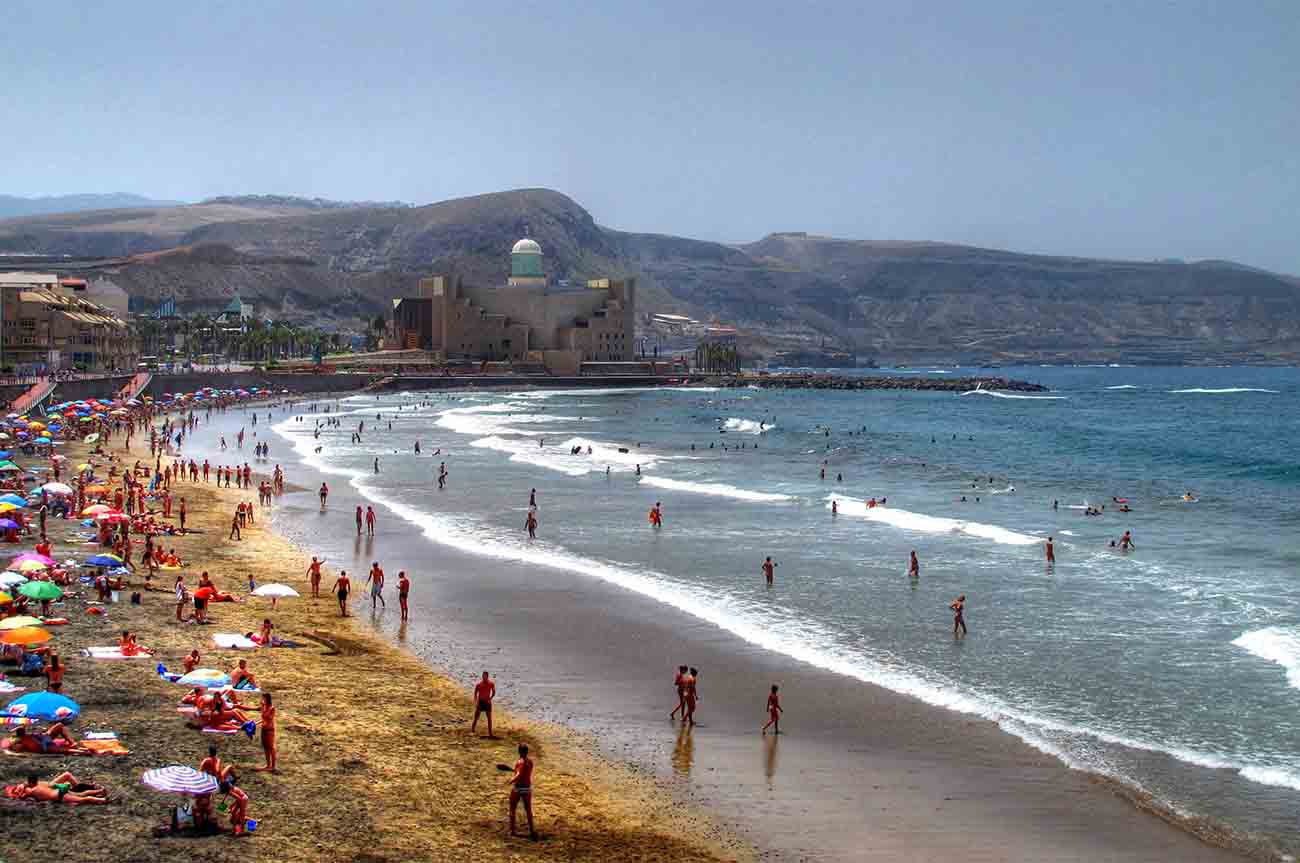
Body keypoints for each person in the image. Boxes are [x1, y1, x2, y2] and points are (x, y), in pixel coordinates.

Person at [6, 771, 108, 805]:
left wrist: (18, 792)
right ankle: (100, 791)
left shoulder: (32, 791)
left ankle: (102, 800)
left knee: (82, 799)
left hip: (59, 795)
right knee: (82, 794)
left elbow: (21, 796)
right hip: (59, 791)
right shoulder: (38, 786)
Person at [507, 743, 537, 840]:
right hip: (527, 788)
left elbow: (519, 774)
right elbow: (523, 772)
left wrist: (511, 780)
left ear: (519, 751)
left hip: (518, 788)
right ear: (527, 752)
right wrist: (516, 772)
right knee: (528, 810)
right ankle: (532, 830)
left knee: (512, 808)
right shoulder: (530, 762)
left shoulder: (520, 762)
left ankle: (512, 831)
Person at [10, 723, 89, 754]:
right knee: (64, 750)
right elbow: (18, 749)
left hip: (43, 741)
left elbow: (18, 749)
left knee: (59, 726)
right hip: (43, 746)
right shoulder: (21, 740)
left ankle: (76, 746)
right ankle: (82, 751)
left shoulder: (24, 738)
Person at [255, 692, 277, 772]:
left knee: (271, 748)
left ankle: (273, 766)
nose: (262, 700)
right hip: (263, 729)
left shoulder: (271, 708)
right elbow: (263, 719)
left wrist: (263, 709)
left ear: (267, 699)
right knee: (265, 748)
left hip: (269, 730)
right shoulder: (264, 707)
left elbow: (269, 718)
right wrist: (255, 723)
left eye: (263, 698)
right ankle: (268, 765)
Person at [472, 671, 496, 738]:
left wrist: (490, 698)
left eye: (485, 676)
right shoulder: (479, 684)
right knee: (476, 717)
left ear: (487, 676)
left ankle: (490, 733)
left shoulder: (491, 684)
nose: (484, 677)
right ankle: (473, 730)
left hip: (487, 702)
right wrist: (476, 702)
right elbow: (475, 693)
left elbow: (494, 692)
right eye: (483, 676)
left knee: (489, 718)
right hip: (480, 702)